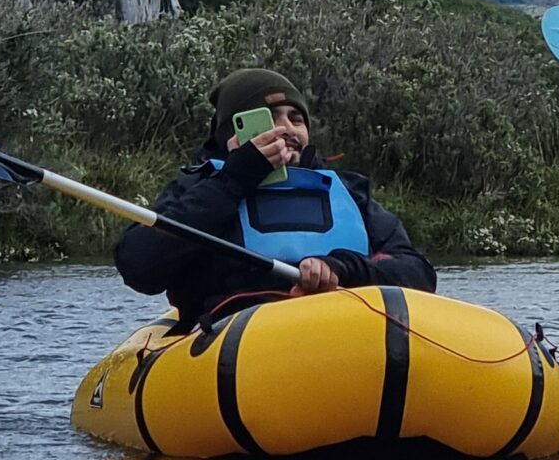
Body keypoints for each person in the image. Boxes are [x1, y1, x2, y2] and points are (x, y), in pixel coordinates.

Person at [116, 66, 435, 325]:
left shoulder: (349, 191)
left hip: (346, 329)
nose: (287, 130)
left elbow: (418, 273)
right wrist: (236, 179)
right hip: (238, 342)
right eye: (269, 118)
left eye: (296, 119)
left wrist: (343, 268)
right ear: (233, 132)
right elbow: (140, 267)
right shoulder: (201, 187)